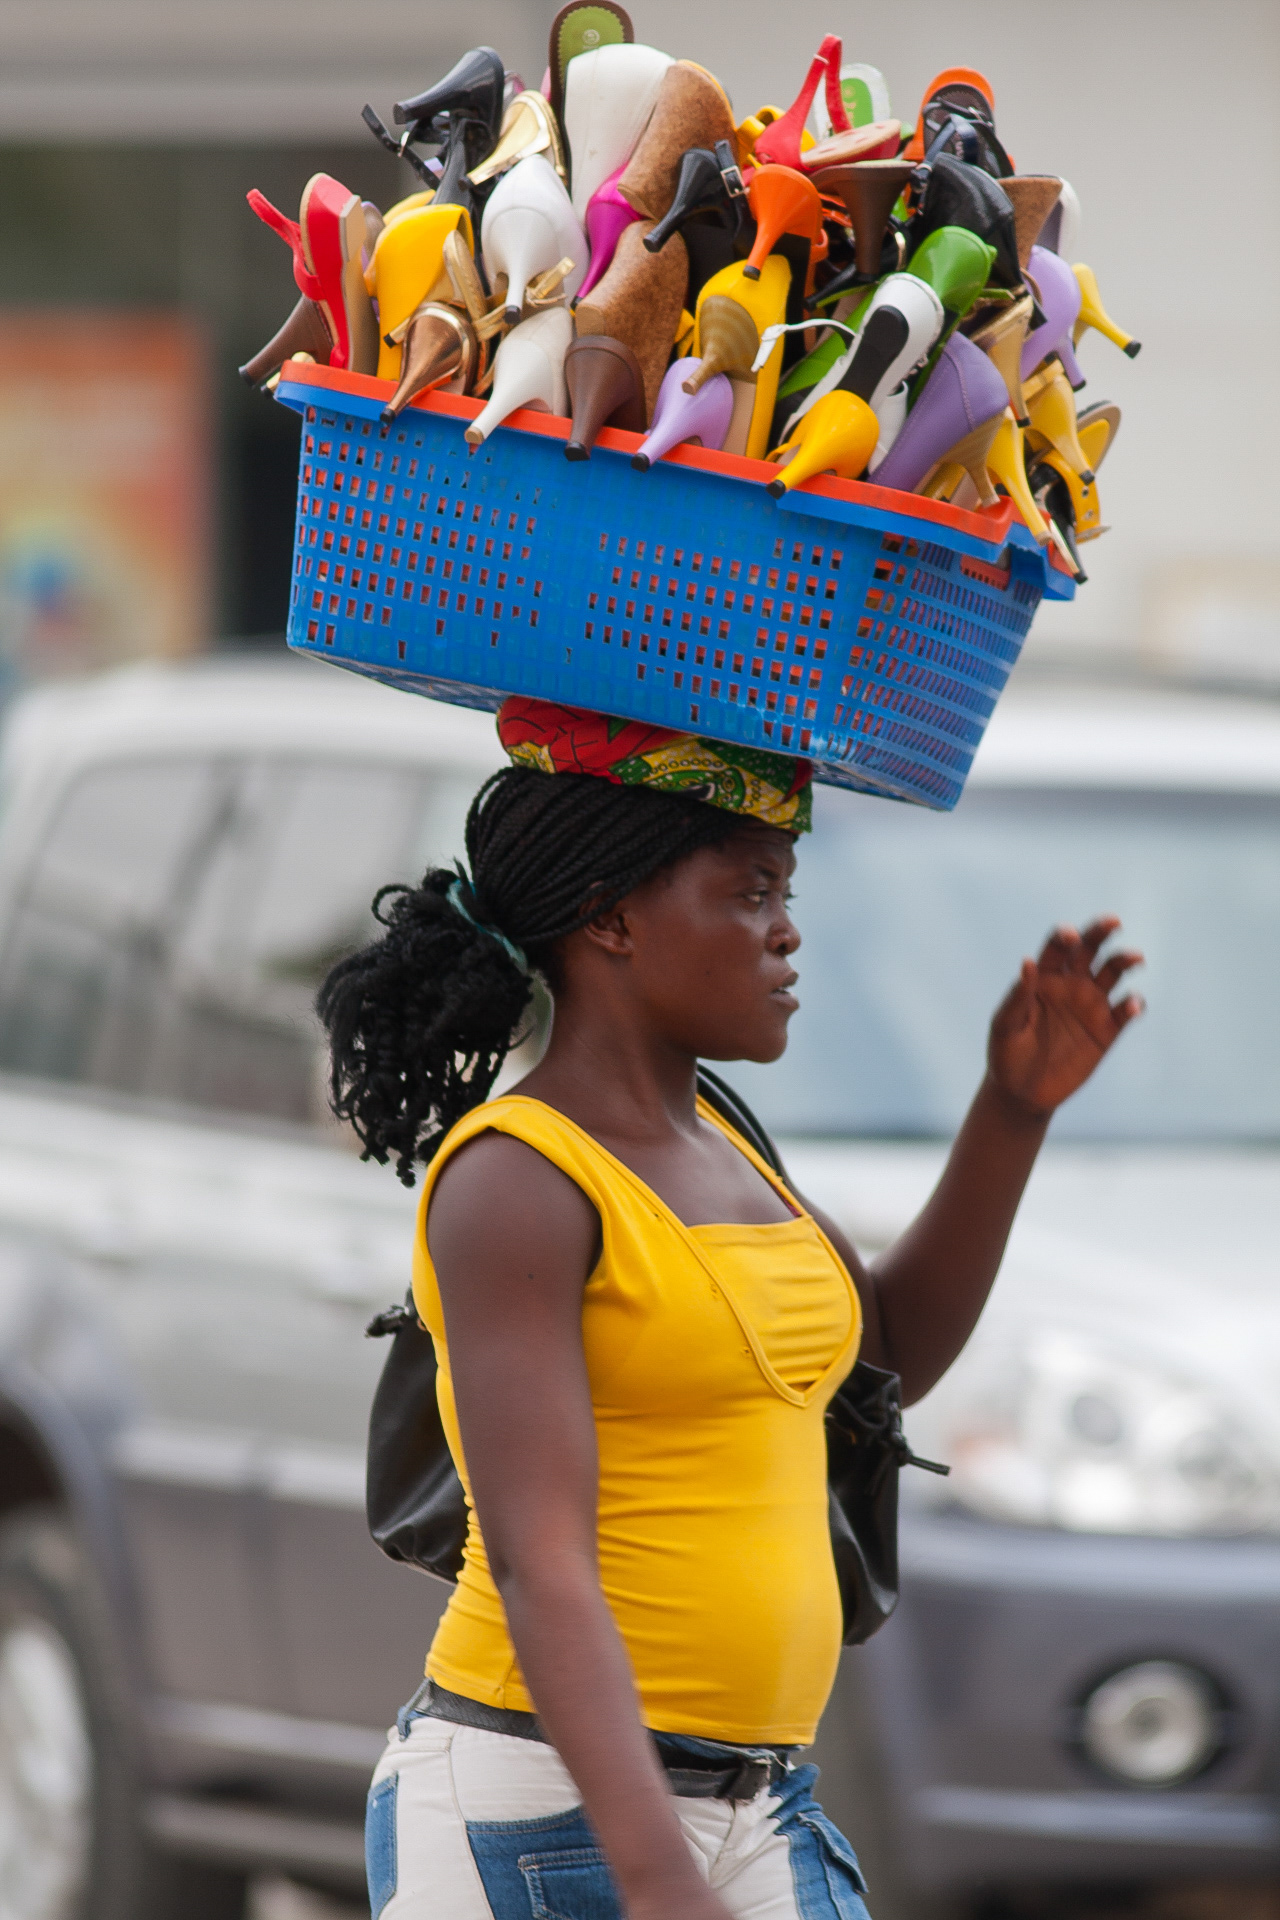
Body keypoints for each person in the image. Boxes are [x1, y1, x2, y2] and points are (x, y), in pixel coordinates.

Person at [320, 698, 1144, 1920]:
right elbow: (541, 1561)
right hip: (540, 1805)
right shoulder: (517, 1181)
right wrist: (652, 1872)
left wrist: (1010, 1111)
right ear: (608, 917)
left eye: (784, 893)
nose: (787, 933)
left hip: (754, 1805)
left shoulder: (722, 1142)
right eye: (750, 893)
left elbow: (882, 1361)